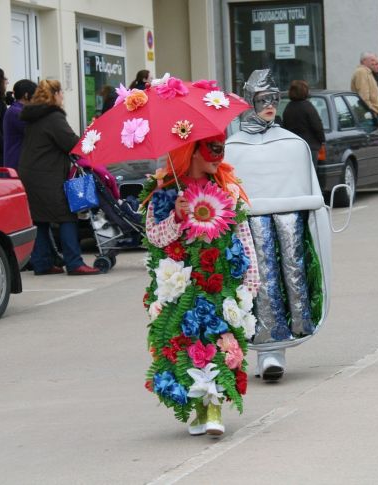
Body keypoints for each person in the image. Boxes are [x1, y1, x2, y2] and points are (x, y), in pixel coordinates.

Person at [140, 134, 259, 436]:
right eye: (213, 149)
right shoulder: (165, 194)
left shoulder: (226, 189)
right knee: (185, 346)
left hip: (221, 282)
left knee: (222, 342)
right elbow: (156, 238)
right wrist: (176, 217)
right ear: (191, 152)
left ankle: (215, 407)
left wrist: (251, 278)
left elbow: (243, 236)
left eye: (222, 148)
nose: (220, 155)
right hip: (180, 286)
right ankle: (199, 406)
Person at [226, 69, 332, 382]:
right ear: (250, 102)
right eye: (262, 100)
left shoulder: (291, 143)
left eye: (274, 99)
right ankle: (265, 351)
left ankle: (279, 349)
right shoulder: (233, 147)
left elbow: (307, 187)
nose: (270, 105)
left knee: (291, 281)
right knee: (258, 284)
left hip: (289, 226)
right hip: (250, 229)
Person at [18, 80, 100, 276]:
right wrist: (90, 135)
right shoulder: (53, 117)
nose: (63, 96)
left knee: (39, 219)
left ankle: (42, 263)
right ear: (54, 94)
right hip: (46, 175)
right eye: (61, 92)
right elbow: (71, 144)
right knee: (66, 216)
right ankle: (74, 263)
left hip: (30, 173)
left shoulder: (33, 117)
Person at [281, 79, 325, 165]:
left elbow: (285, 127)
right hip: (309, 147)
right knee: (310, 175)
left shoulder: (288, 107)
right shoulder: (308, 107)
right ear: (304, 91)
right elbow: (317, 126)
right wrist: (322, 140)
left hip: (293, 147)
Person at [3, 79, 37, 170]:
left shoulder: (15, 110)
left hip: (18, 162)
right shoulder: (17, 112)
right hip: (17, 163)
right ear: (26, 95)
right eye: (35, 95)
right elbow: (36, 131)